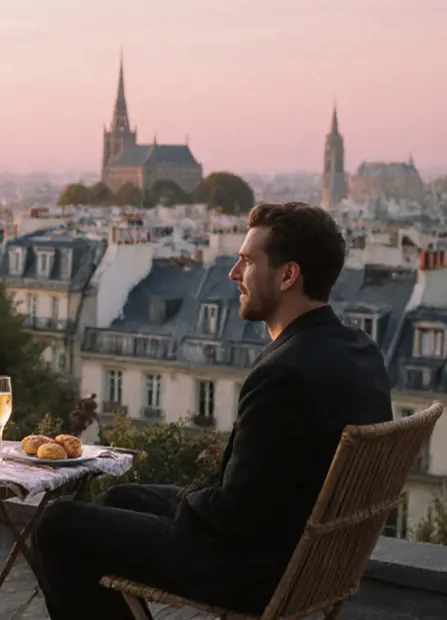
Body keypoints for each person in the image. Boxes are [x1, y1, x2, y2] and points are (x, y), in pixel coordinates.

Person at [28, 202, 393, 619]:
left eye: (246, 262)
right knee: (120, 497)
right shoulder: (360, 350)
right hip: (305, 556)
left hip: (249, 567)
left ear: (288, 275)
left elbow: (233, 514)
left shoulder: (283, 372)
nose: (234, 274)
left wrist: (189, 506)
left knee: (57, 525)